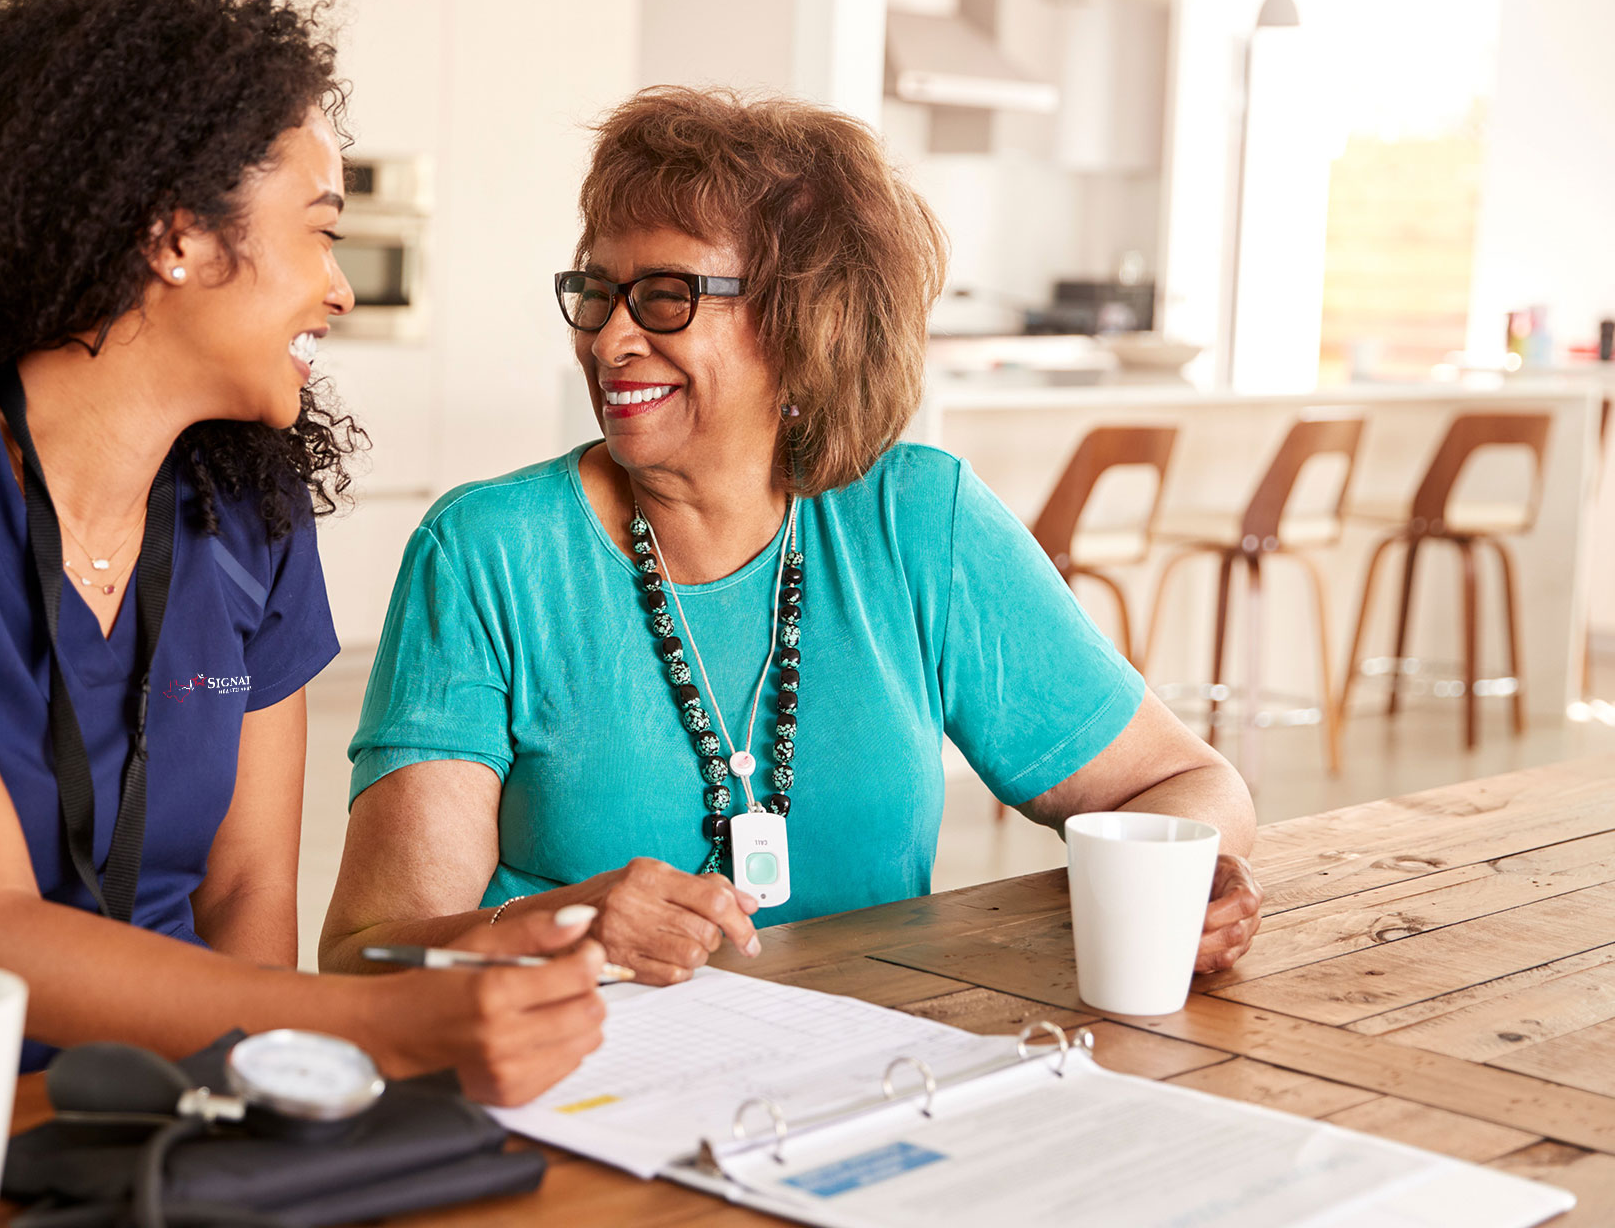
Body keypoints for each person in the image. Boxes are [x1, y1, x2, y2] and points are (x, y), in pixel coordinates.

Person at [0, 0, 602, 1128]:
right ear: (177, 238)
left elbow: (246, 889)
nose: (340, 290)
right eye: (320, 230)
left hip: (173, 1113)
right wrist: (380, 1026)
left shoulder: (251, 518)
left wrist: (269, 1107)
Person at [321, 87, 1263, 986]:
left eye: (665, 297)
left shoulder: (917, 523)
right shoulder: (489, 554)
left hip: (877, 1078)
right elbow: (370, 951)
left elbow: (1184, 782)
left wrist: (1187, 884)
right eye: (598, 293)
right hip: (584, 1081)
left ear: (804, 321)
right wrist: (558, 928)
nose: (609, 342)